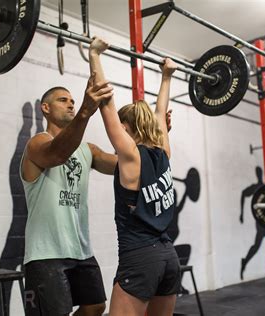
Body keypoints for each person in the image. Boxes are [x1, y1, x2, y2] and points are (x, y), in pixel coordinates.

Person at [89, 37, 180, 316]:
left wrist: (94, 55)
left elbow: (105, 103)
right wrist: (166, 77)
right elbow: (160, 112)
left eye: (122, 127)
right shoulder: (163, 151)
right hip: (168, 257)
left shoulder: (131, 156)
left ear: (127, 127)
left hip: (140, 258)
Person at [20, 75, 116, 316]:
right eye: (63, 100)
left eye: (73, 101)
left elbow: (123, 165)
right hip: (46, 253)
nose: (71, 104)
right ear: (46, 108)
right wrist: (85, 110)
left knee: (95, 308)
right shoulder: (37, 143)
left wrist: (152, 137)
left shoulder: (88, 150)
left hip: (81, 250)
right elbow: (57, 154)